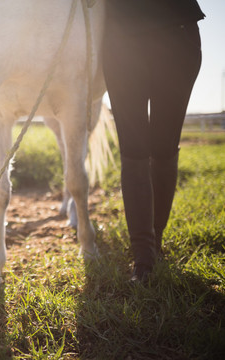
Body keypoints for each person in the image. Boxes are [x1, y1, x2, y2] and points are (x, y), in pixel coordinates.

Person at [103, 0, 205, 282]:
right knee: (134, 150)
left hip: (176, 35)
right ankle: (143, 259)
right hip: (120, 42)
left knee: (164, 147)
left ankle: (154, 245)